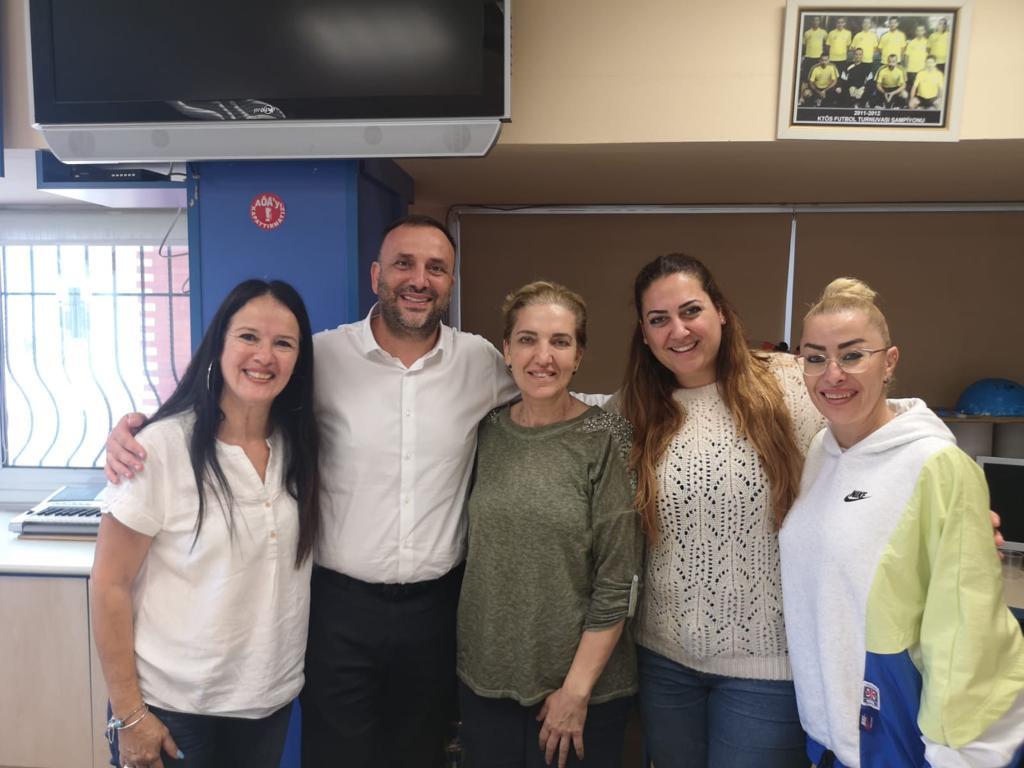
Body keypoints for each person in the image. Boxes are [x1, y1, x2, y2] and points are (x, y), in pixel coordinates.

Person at [104, 215, 519, 768]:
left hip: (435, 611)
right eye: (404, 264)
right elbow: (232, 400)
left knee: (420, 754)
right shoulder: (321, 357)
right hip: (336, 609)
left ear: (450, 281)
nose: (419, 279)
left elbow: (550, 398)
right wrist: (132, 430)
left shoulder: (481, 362)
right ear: (376, 275)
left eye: (436, 268)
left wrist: (613, 421)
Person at [780, 278, 1024, 768]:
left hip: (900, 738)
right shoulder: (820, 452)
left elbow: (968, 630)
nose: (832, 374)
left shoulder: (935, 464)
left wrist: (958, 756)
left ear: (889, 361)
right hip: (827, 734)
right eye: (815, 357)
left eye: (853, 355)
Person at [91, 279, 321, 768]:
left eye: (283, 343)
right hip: (172, 711)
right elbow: (110, 584)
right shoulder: (160, 447)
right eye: (248, 337)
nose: (264, 356)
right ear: (219, 345)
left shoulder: (300, 448)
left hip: (265, 705)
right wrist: (129, 714)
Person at [617, 254, 824, 768]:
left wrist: (958, 505)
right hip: (663, 662)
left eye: (691, 311)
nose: (678, 330)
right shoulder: (629, 410)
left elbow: (888, 421)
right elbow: (563, 423)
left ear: (722, 312)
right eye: (659, 319)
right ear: (644, 333)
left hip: (767, 668)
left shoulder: (789, 384)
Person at [456, 281, 642, 768]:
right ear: (506, 350)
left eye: (560, 341)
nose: (543, 357)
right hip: (486, 682)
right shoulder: (487, 431)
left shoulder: (607, 437)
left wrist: (574, 693)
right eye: (527, 339)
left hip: (580, 695)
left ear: (578, 355)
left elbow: (618, 580)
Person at [801, 17, 828, 88]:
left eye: (817, 20)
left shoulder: (823, 32)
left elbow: (826, 44)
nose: (815, 22)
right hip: (808, 57)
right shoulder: (807, 33)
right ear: (811, 21)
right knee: (806, 77)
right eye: (814, 20)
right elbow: (804, 46)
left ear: (819, 22)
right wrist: (803, 56)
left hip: (818, 58)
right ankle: (804, 94)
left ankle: (816, 93)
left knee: (817, 78)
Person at [904, 25, 930, 93]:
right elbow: (907, 56)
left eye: (921, 30)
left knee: (921, 88)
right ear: (915, 32)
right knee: (911, 88)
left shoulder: (927, 42)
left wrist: (927, 67)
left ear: (924, 31)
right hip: (911, 70)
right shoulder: (911, 42)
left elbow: (929, 56)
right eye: (918, 30)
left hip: (922, 69)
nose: (919, 32)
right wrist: (906, 68)